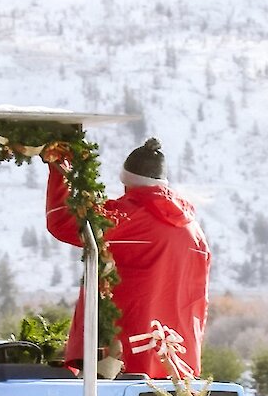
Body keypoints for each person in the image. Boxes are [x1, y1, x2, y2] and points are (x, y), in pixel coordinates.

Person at [45, 137, 210, 378]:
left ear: (126, 181)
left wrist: (59, 169)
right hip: (178, 354)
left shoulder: (125, 218)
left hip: (126, 353)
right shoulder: (194, 230)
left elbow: (63, 223)